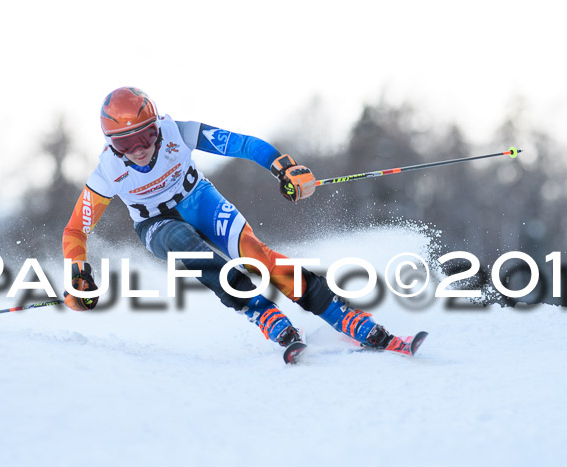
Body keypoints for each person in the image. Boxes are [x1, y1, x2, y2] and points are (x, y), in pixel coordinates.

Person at [62, 86, 409, 359]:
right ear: (111, 144)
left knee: (257, 256)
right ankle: (260, 311)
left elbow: (241, 144)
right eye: (125, 142)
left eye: (146, 136)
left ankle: (342, 315)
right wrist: (78, 271)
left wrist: (283, 166)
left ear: (157, 127)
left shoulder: (177, 132)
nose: (138, 148)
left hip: (199, 198)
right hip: (156, 223)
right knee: (184, 240)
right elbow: (76, 230)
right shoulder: (108, 172)